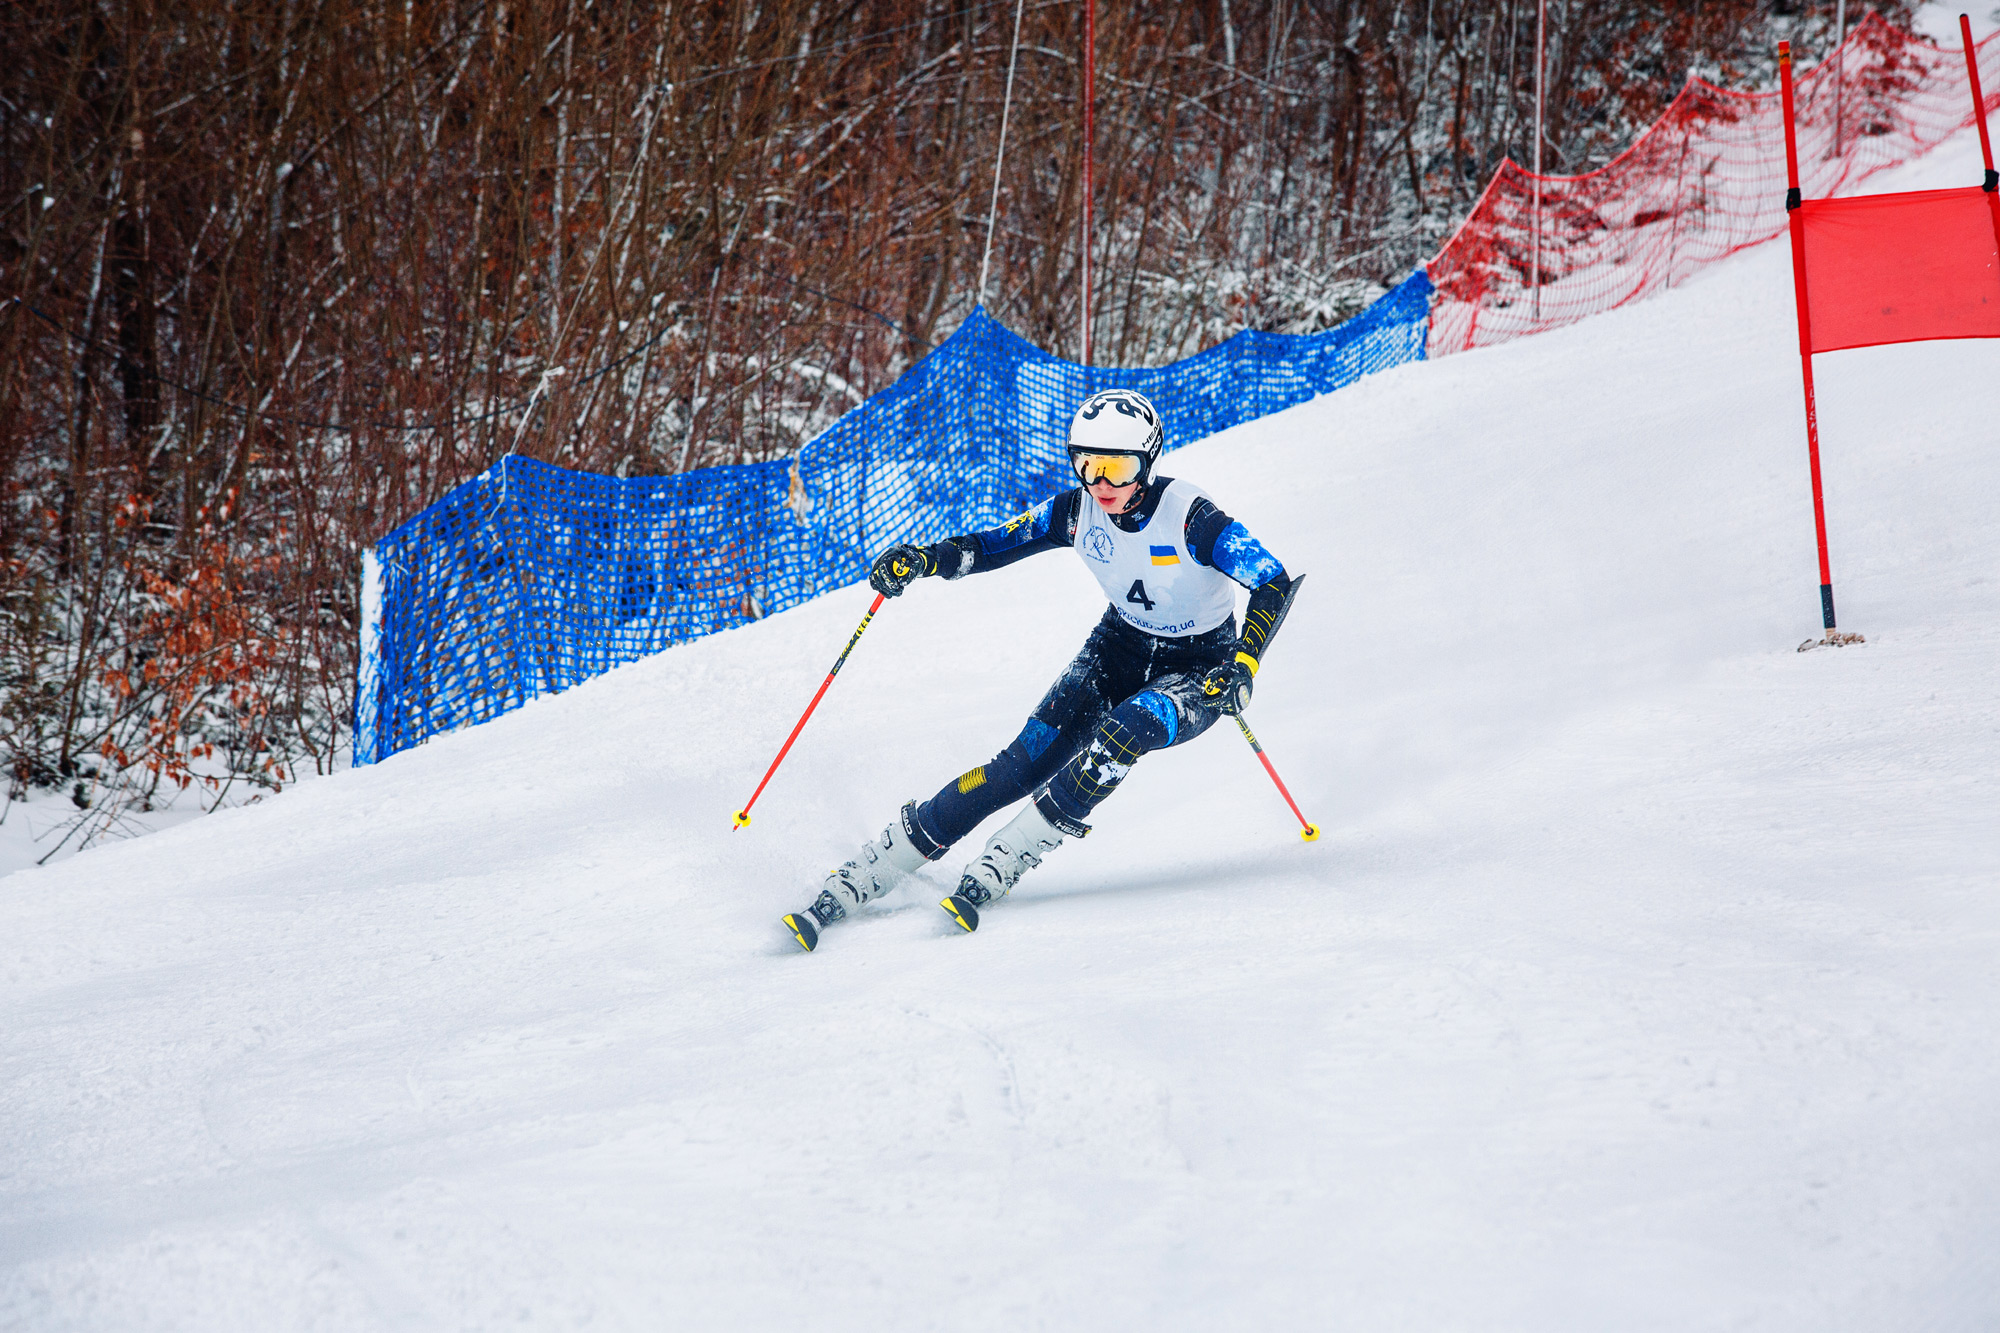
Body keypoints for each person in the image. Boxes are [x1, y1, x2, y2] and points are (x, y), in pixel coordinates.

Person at [783, 388, 1300, 950]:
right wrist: (926, 559)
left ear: (1148, 460)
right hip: (1119, 648)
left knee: (1128, 729)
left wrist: (1244, 662)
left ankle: (1010, 854)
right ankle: (876, 866)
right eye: (1086, 465)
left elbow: (1272, 581)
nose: (1100, 483)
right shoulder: (1077, 512)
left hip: (1202, 667)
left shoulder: (1191, 518)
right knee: (1018, 766)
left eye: (1117, 467)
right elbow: (994, 545)